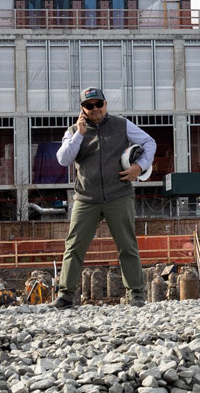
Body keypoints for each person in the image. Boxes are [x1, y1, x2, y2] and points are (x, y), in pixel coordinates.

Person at [52, 86, 155, 308]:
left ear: (105, 104)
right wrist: (79, 134)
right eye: (89, 105)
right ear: (82, 109)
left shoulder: (122, 124)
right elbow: (63, 159)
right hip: (86, 198)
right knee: (74, 246)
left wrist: (140, 167)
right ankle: (66, 296)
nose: (95, 108)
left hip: (119, 194)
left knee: (127, 245)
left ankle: (136, 294)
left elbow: (150, 142)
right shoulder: (73, 131)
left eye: (99, 104)